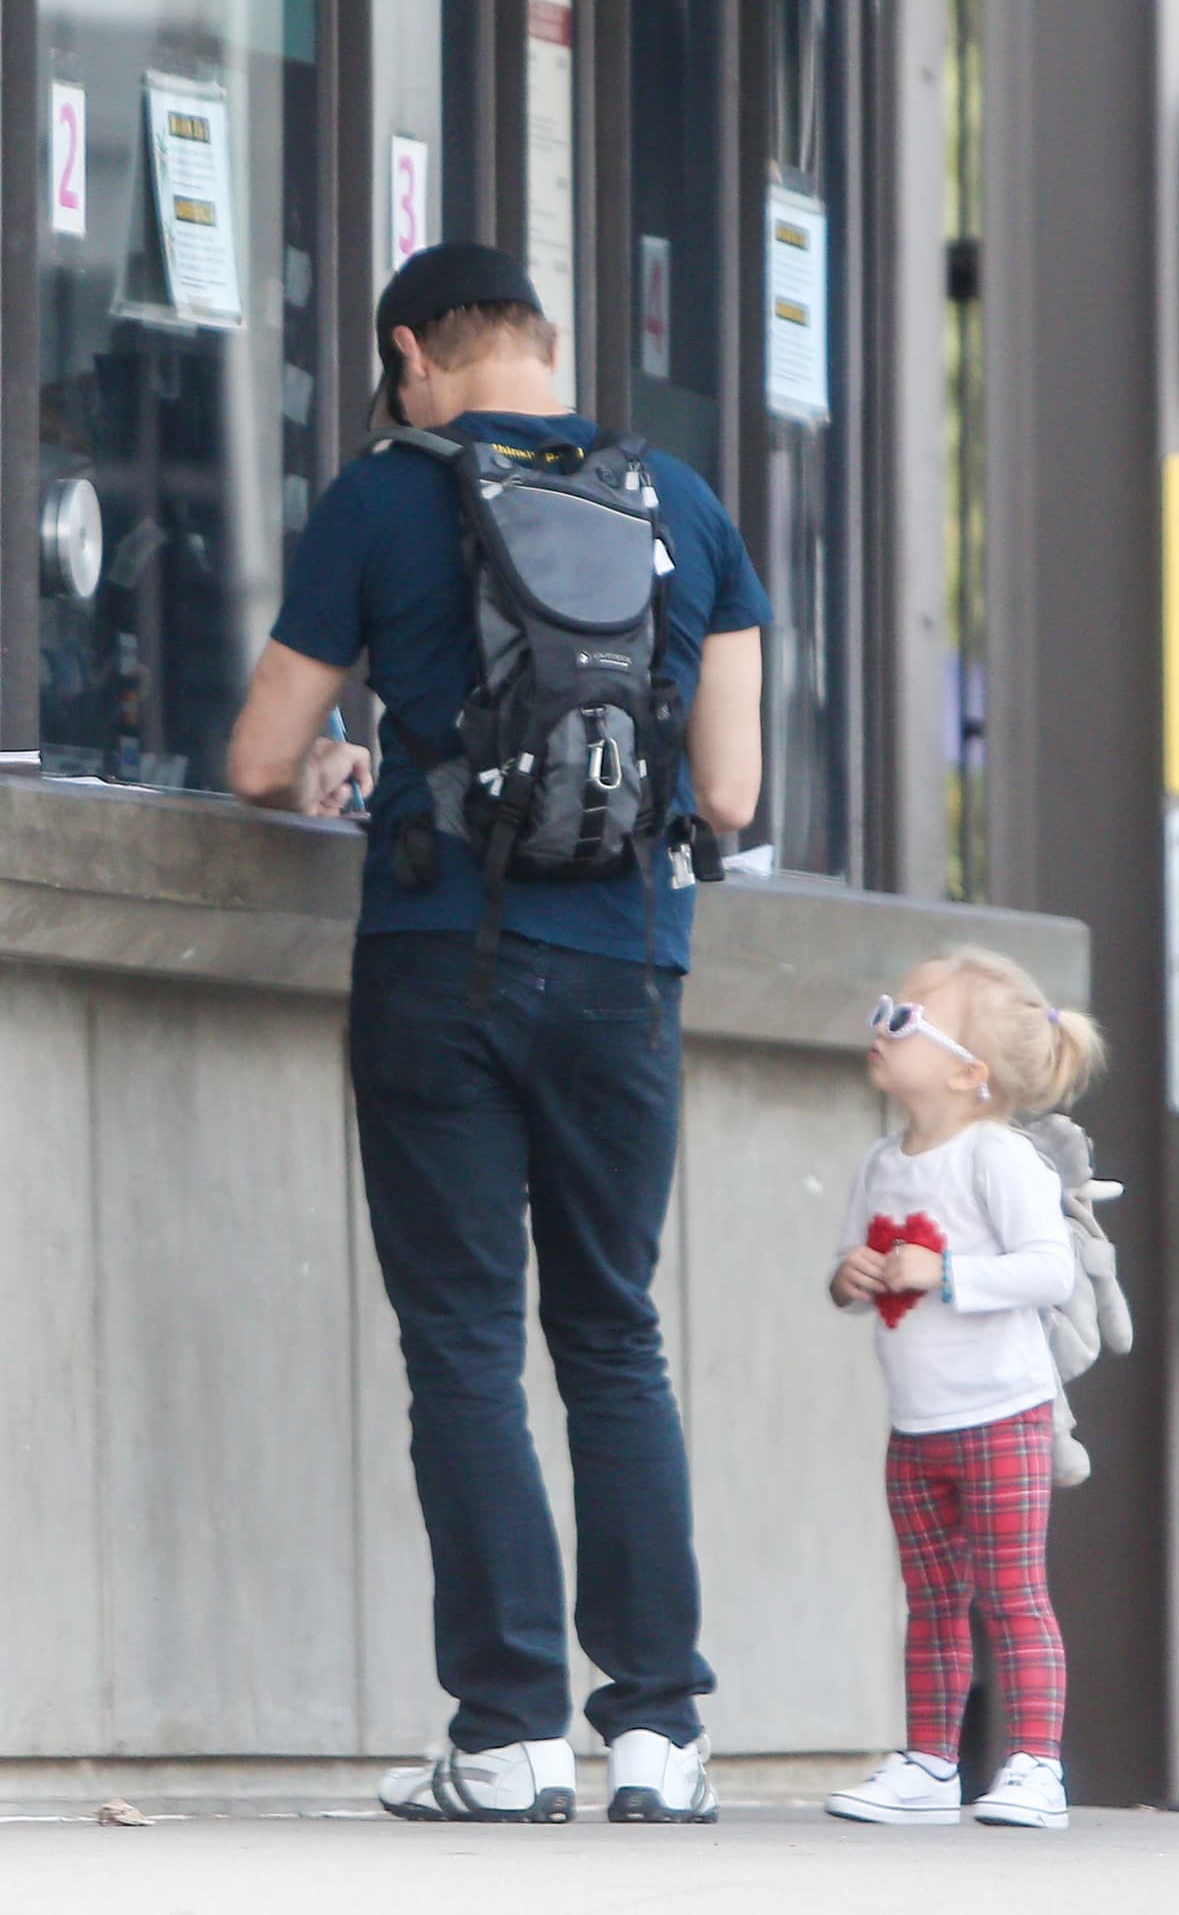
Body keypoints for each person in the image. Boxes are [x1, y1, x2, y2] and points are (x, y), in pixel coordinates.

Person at [228, 241, 769, 1825]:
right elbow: (729, 797)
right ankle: (659, 1737)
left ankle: (510, 1731)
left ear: (411, 351)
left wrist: (346, 764)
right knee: (613, 1338)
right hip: (627, 974)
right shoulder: (687, 503)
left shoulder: (385, 496)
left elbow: (263, 756)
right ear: (541, 343)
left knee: (465, 1345)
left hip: (436, 964)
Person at [824, 947, 1106, 1832]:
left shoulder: (998, 1158)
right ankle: (930, 1762)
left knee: (1012, 1593)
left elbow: (1049, 1272)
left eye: (903, 1018)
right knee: (933, 1600)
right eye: (882, 1007)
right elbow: (846, 1271)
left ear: (970, 1073)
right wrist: (853, 1276)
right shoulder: (882, 1162)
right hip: (917, 1426)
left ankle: (1033, 1764)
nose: (880, 1026)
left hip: (1002, 1415)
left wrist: (946, 1275)